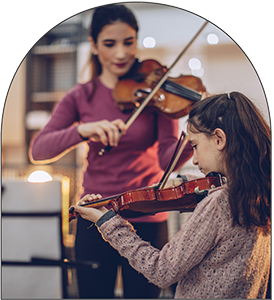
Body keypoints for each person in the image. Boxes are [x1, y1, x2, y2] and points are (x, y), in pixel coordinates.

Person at [30, 4, 193, 298]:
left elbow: (167, 158)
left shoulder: (156, 93)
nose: (121, 53)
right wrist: (82, 129)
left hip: (147, 216)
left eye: (129, 42)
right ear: (93, 45)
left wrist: (192, 131)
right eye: (110, 43)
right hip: (95, 214)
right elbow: (39, 150)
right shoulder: (81, 95)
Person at [73, 92, 271, 299]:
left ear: (219, 139)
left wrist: (106, 221)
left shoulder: (220, 204)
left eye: (194, 145)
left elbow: (161, 270)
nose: (193, 160)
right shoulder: (260, 194)